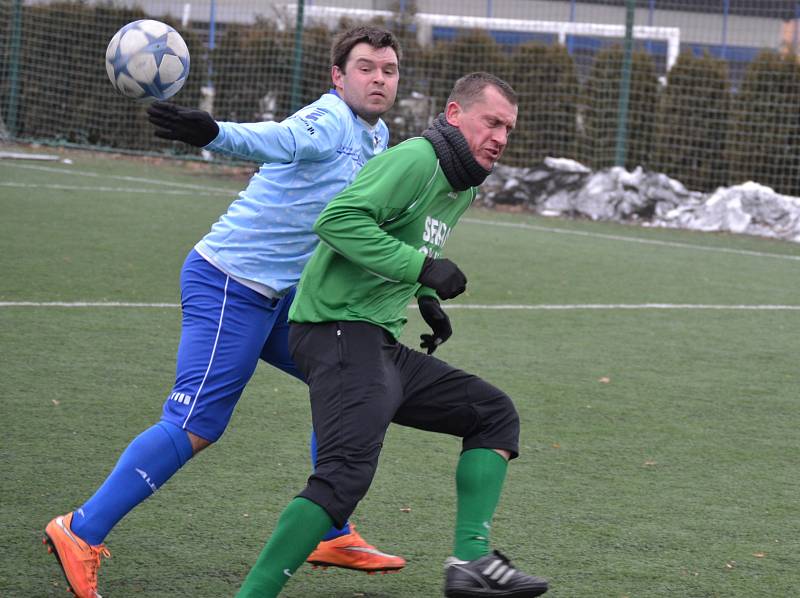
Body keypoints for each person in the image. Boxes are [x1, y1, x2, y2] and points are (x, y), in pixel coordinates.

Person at [43, 25, 411, 598]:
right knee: (196, 423)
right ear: (338, 77)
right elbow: (279, 141)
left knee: (346, 380)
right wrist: (213, 132)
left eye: (388, 70)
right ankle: (79, 529)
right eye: (366, 67)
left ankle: (331, 531)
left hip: (280, 297)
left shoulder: (377, 134)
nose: (379, 79)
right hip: (230, 283)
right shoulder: (331, 119)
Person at [235, 72, 549, 598]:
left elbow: (403, 236)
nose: (500, 136)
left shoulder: (463, 183)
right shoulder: (418, 159)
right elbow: (338, 220)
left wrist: (425, 298)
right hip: (332, 328)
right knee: (343, 476)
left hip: (374, 338)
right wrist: (422, 269)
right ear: (454, 114)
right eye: (491, 121)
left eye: (509, 129)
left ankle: (470, 563)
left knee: (493, 414)